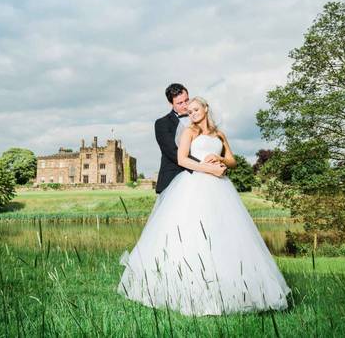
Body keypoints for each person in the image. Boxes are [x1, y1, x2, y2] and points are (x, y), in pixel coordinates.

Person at [117, 96, 291, 316]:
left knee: (224, 234)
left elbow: (232, 160)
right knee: (193, 233)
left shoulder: (219, 134)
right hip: (195, 184)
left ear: (206, 108)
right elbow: (182, 160)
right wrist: (208, 168)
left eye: (196, 109)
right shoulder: (189, 132)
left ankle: (234, 288)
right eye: (189, 111)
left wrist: (219, 161)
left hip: (221, 188)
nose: (192, 114)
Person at [154, 83, 225, 195]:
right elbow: (173, 153)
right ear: (170, 103)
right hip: (173, 178)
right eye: (180, 103)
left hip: (207, 179)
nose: (185, 105)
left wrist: (218, 161)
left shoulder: (200, 118)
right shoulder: (162, 124)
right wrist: (207, 166)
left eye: (187, 100)